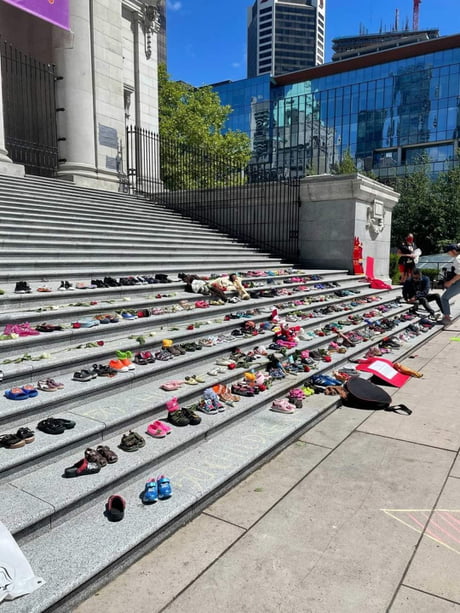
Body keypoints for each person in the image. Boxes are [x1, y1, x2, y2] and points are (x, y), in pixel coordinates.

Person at [440, 244, 460, 326]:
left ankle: (447, 318)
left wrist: (450, 282)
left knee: (444, 298)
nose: (448, 254)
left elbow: (459, 274)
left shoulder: (458, 259)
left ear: (454, 251)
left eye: (449, 252)